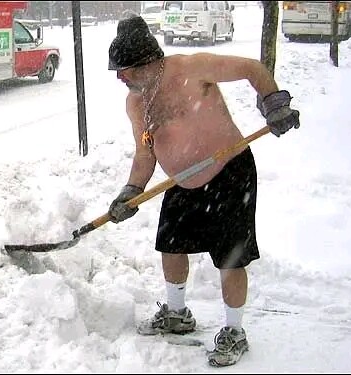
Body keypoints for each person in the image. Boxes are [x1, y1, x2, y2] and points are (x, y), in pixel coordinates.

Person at [107, 12, 300, 367]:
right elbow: (145, 151)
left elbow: (252, 69)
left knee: (231, 257)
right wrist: (131, 190)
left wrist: (274, 104)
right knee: (170, 245)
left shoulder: (193, 68)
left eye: (125, 69)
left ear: (148, 63)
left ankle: (234, 331)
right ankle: (177, 314)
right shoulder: (136, 102)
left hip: (230, 172)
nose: (120, 77)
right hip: (182, 182)